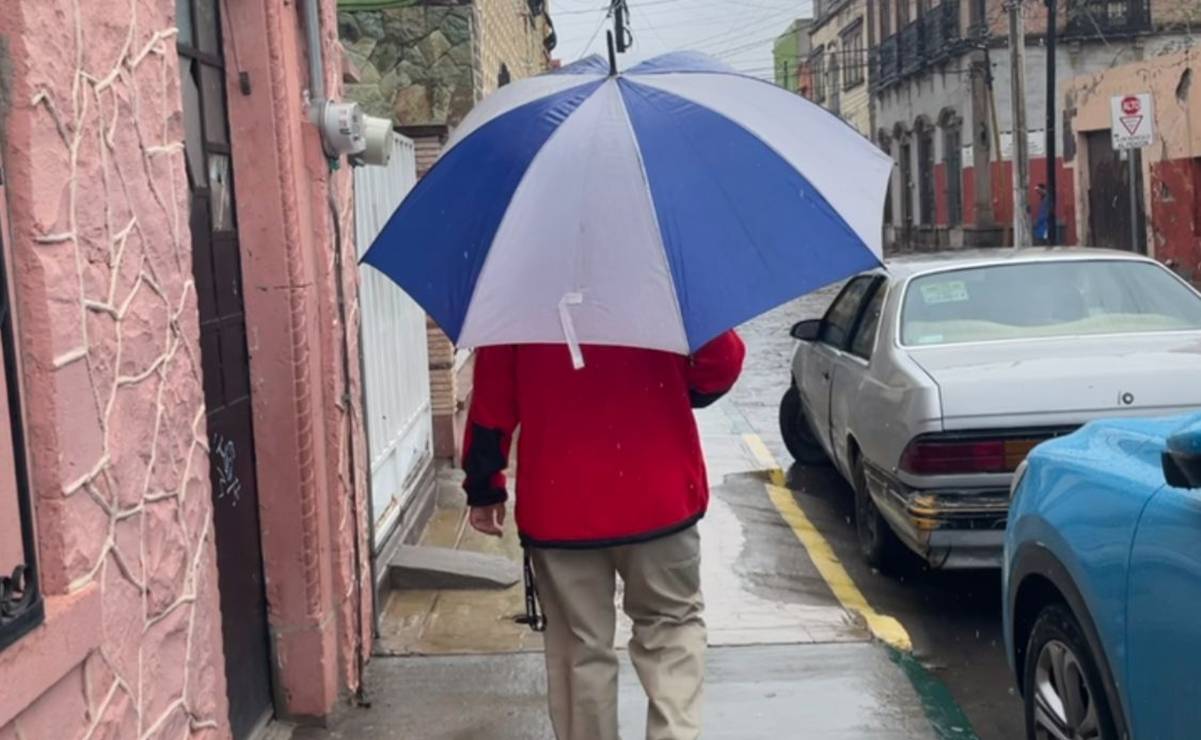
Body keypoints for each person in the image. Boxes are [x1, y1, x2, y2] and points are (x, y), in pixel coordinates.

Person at [461, 332, 746, 740]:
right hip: (658, 496)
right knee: (671, 628)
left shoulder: (519, 289)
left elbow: (492, 400)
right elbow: (719, 368)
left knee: (579, 647)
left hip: (561, 502)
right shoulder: (663, 276)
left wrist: (484, 486)